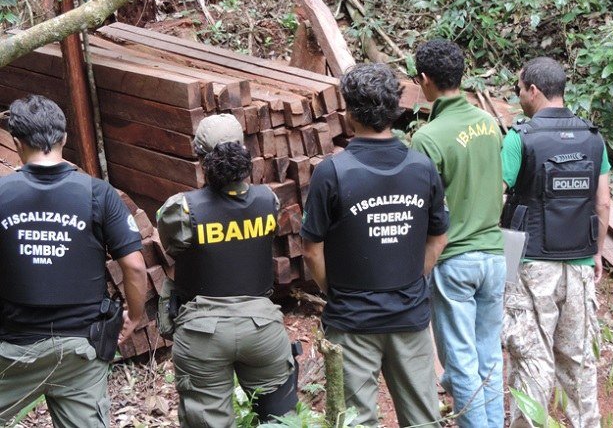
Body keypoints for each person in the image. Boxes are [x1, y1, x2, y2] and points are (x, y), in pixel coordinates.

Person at [301, 63, 449, 427]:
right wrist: (415, 278)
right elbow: (439, 236)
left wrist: (331, 289)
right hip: (409, 317)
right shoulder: (422, 168)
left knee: (355, 421)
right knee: (422, 419)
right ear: (396, 108)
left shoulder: (331, 172)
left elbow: (312, 249)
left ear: (348, 111)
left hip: (352, 319)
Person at [0, 95, 147, 427]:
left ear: (16, 141)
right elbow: (135, 266)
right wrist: (134, 316)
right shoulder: (99, 193)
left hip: (16, 347)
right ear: (64, 137)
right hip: (82, 347)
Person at [156, 114, 296, 427]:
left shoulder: (182, 209)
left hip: (203, 332)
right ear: (244, 152)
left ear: (202, 160)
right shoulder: (268, 199)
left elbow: (172, 246)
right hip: (263, 328)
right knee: (280, 420)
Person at [500, 57, 610, 427]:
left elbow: (498, 193)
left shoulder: (520, 137)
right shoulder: (594, 138)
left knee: (531, 355)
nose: (518, 96)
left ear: (533, 90)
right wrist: (597, 253)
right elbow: (604, 201)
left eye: (519, 89)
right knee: (579, 360)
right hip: (579, 262)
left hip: (529, 262)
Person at [410, 40, 506, 428]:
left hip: (454, 259)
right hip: (495, 256)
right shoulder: (489, 124)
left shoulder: (427, 138)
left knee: (461, 359)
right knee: (489, 355)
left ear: (424, 80)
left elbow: (422, 211)